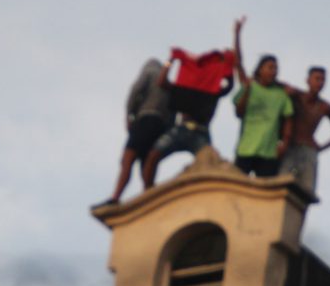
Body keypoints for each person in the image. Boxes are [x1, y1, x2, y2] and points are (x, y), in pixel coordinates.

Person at [141, 45, 234, 189]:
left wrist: (227, 65)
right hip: (181, 129)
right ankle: (147, 192)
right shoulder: (184, 88)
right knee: (152, 156)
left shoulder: (212, 90)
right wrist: (170, 60)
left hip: (201, 132)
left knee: (211, 163)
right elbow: (162, 82)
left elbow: (229, 86)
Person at [94, 58, 173, 208]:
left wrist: (129, 114)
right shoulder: (169, 83)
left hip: (144, 119)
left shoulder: (149, 73)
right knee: (147, 164)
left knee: (127, 159)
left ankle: (115, 197)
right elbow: (174, 111)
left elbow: (135, 90)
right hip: (160, 126)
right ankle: (149, 199)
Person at [231, 16, 294, 177]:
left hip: (269, 152)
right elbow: (239, 112)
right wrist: (237, 34)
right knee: (237, 186)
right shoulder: (250, 86)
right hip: (246, 148)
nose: (274, 71)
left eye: (276, 68)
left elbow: (288, 118)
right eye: (270, 67)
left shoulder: (281, 94)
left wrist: (284, 143)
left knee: (264, 192)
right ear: (260, 69)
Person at [279, 66, 330, 192]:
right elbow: (277, 84)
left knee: (306, 190)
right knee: (281, 183)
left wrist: (321, 148)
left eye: (322, 80)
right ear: (308, 80)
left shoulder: (325, 106)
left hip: (309, 150)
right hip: (290, 146)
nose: (319, 83)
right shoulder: (296, 95)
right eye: (317, 79)